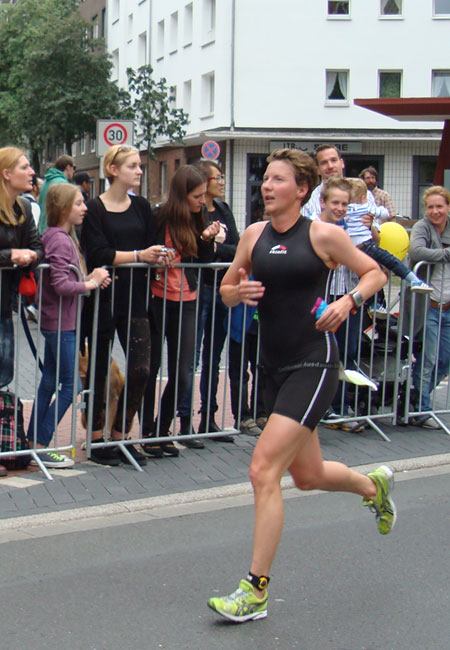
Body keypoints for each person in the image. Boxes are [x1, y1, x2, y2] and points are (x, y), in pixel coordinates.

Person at [207, 148, 396, 623]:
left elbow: (375, 272)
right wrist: (238, 292)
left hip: (313, 363)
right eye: (265, 179)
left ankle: (255, 590)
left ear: (301, 190)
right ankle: (373, 488)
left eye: (277, 180)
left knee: (262, 470)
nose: (266, 187)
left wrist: (349, 301)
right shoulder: (253, 235)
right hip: (272, 365)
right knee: (308, 477)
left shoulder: (323, 235)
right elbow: (227, 289)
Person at [81, 144, 172, 466]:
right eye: (133, 165)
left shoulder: (142, 206)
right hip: (104, 297)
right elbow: (98, 253)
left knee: (142, 369)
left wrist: (160, 254)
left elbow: (152, 243)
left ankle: (120, 433)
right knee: (99, 372)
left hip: (136, 297)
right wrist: (138, 256)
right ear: (114, 170)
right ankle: (94, 438)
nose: (139, 171)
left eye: (139, 166)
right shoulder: (94, 209)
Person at [27, 184, 110, 468]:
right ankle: (40, 444)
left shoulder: (54, 236)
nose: (84, 207)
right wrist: (92, 282)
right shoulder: (61, 240)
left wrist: (92, 278)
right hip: (62, 322)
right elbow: (61, 284)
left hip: (57, 320)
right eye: (78, 203)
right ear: (63, 208)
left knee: (50, 380)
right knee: (70, 384)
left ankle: (34, 443)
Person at [140, 165, 220, 457]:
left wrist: (208, 238)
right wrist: (157, 256)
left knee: (184, 370)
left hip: (189, 297)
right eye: (197, 196)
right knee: (151, 369)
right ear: (181, 194)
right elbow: (146, 249)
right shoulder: (160, 215)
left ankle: (162, 429)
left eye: (203, 196)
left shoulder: (201, 216)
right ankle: (148, 432)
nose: (202, 201)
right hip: (158, 296)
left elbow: (205, 260)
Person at [177, 160, 239, 445]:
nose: (222, 181)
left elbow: (237, 248)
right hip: (198, 289)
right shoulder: (193, 213)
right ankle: (185, 420)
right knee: (192, 358)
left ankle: (208, 417)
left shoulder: (223, 210)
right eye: (218, 177)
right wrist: (211, 248)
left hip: (222, 288)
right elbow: (195, 249)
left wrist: (216, 248)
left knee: (214, 356)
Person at [0, 146, 45, 476]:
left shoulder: (23, 209)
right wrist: (10, 256)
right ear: (6, 173)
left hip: (5, 304)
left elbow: (38, 245)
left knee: (4, 375)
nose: (31, 172)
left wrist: (30, 255)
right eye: (25, 166)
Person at [345, 178, 432, 294]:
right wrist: (374, 211)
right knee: (390, 262)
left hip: (350, 250)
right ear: (362, 198)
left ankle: (373, 303)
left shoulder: (344, 211)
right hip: (367, 246)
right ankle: (414, 280)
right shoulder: (365, 208)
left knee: (365, 276)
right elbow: (385, 213)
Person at [410, 186, 450, 429]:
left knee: (446, 358)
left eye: (440, 206)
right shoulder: (421, 227)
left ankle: (415, 393)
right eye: (431, 207)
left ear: (447, 207)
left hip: (449, 306)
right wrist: (445, 254)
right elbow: (416, 251)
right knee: (428, 358)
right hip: (429, 304)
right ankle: (421, 409)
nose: (435, 211)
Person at [301, 144, 389, 223]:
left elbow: (377, 237)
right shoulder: (309, 201)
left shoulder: (364, 193)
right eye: (324, 163)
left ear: (342, 163)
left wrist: (370, 226)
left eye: (334, 160)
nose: (330, 166)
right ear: (318, 170)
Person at [227, 300, 266, 436]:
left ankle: (260, 414)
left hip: (262, 326)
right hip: (240, 324)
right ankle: (243, 417)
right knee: (239, 373)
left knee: (262, 370)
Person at [38, 154, 76, 234]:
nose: (74, 171)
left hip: (42, 229)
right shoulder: (63, 185)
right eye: (74, 168)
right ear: (68, 167)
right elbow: (67, 211)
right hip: (56, 231)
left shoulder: (45, 182)